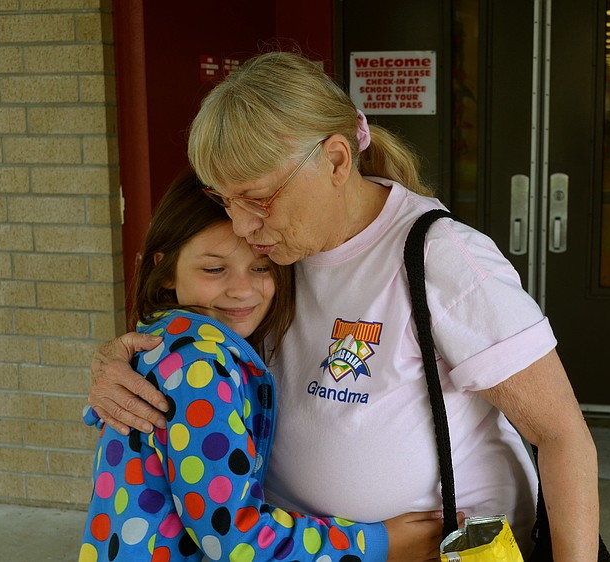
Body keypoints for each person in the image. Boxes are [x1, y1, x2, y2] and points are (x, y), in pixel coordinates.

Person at [88, 51, 600, 561]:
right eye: (225, 200)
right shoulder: (274, 255)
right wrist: (125, 361)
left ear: (335, 160)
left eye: (257, 199)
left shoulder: (440, 257)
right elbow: (202, 340)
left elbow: (561, 435)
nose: (242, 228)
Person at [79, 171, 449, 562]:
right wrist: (378, 544)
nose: (241, 290)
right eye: (214, 269)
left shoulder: (167, 342)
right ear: (166, 269)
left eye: (260, 268)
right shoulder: (199, 366)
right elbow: (234, 538)